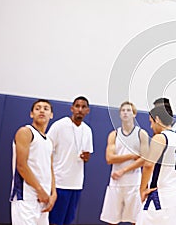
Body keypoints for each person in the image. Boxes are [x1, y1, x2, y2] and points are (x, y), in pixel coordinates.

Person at [100, 101, 149, 225]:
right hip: (116, 183)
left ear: (134, 114)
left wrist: (123, 170)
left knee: (136, 220)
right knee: (112, 220)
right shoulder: (114, 134)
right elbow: (109, 158)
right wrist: (132, 156)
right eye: (123, 110)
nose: (126, 113)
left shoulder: (141, 134)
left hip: (134, 183)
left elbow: (144, 159)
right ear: (120, 114)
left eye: (129, 110)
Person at [47, 96, 93, 225]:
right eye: (77, 106)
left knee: (68, 220)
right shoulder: (59, 125)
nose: (80, 109)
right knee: (54, 220)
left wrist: (86, 157)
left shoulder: (87, 131)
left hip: (76, 183)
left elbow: (87, 155)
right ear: (72, 108)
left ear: (87, 111)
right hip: (59, 182)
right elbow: (46, 149)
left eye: (83, 107)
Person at [137, 105, 176, 225]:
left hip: (161, 196)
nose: (151, 126)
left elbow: (148, 165)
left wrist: (142, 189)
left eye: (151, 122)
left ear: (157, 119)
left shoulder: (160, 138)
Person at [10, 99, 57, 225]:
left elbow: (50, 168)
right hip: (26, 197)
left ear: (51, 115)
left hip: (44, 199)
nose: (42, 110)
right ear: (31, 114)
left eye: (46, 109)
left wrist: (53, 193)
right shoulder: (25, 132)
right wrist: (39, 190)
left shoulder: (49, 140)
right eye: (38, 108)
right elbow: (21, 165)